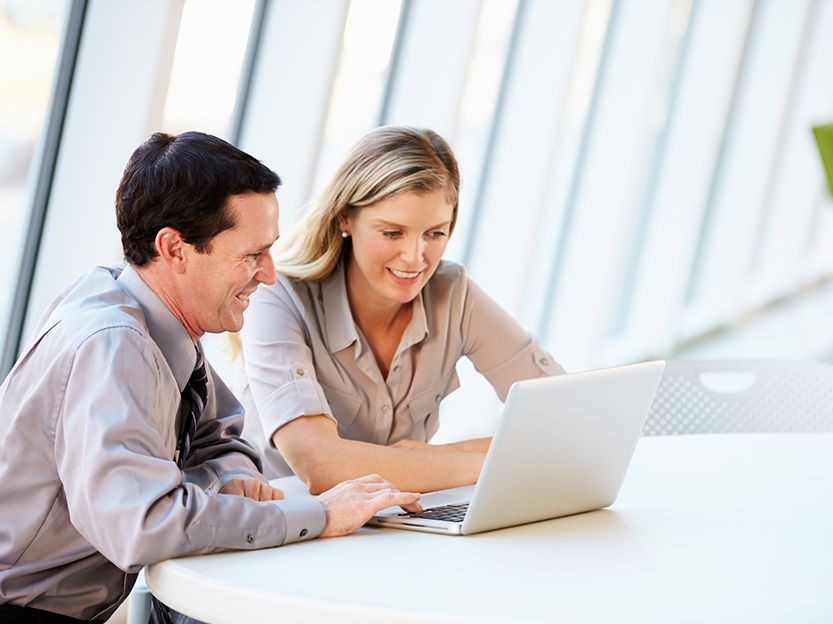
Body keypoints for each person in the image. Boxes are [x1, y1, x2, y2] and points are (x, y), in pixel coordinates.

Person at [0, 131, 420, 624]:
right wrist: (319, 517)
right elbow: (145, 523)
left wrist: (234, 477)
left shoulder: (155, 320)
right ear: (175, 249)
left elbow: (222, 436)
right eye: (250, 255)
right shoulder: (113, 345)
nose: (268, 274)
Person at [239, 126, 564, 495]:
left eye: (435, 234)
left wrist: (437, 458)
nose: (415, 258)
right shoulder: (278, 295)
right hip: (282, 528)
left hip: (394, 526)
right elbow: (320, 465)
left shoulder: (453, 294)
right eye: (393, 233)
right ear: (345, 217)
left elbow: (563, 416)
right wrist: (486, 462)